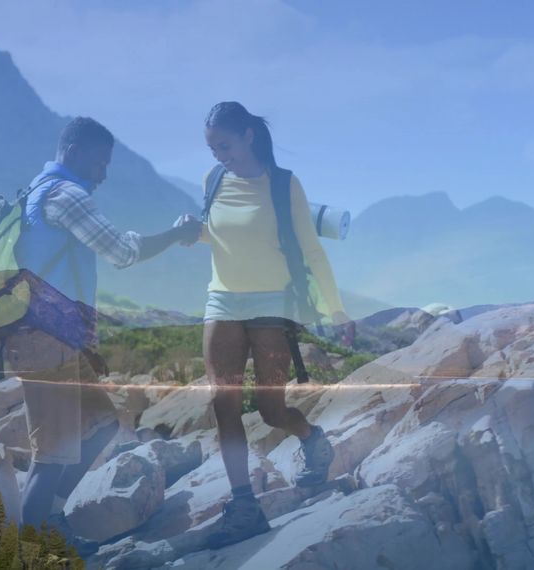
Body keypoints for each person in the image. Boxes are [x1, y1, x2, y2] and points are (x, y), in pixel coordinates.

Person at [10, 117, 202, 551]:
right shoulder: (65, 195)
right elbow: (122, 251)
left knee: (101, 425)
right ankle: (31, 552)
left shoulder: (36, 190)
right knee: (51, 456)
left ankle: (52, 521)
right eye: (99, 163)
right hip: (46, 343)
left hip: (59, 341)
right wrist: (177, 234)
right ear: (74, 152)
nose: (103, 174)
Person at [179, 102, 348, 549]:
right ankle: (244, 507)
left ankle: (312, 439)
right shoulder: (213, 180)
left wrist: (336, 310)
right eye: (213, 149)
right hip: (222, 301)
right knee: (224, 404)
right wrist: (194, 231)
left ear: (249, 136)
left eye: (225, 146)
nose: (220, 156)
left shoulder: (284, 184)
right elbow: (218, 234)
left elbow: (312, 250)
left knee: (272, 411)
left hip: (273, 305)